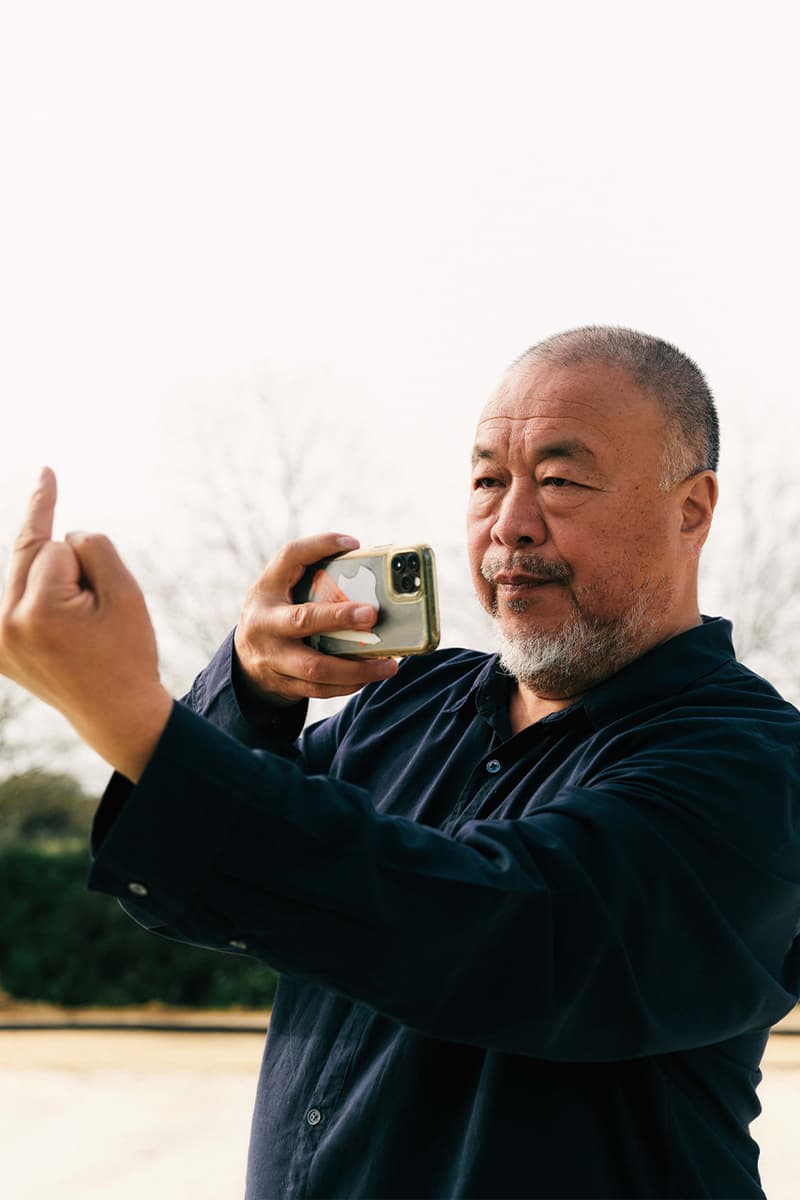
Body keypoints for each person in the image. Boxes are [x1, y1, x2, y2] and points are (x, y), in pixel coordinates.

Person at [2, 325, 799, 1200]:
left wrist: (129, 715)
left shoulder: (753, 764)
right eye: (488, 479)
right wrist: (252, 693)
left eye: (561, 481)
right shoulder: (405, 701)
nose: (511, 524)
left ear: (693, 508)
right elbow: (204, 888)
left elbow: (491, 927)